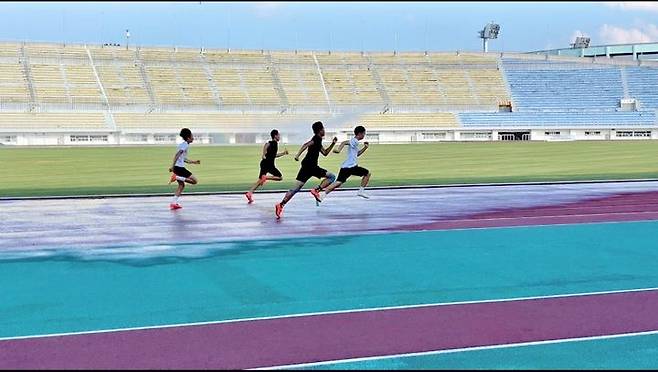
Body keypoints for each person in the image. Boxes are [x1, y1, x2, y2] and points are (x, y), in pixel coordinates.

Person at [275, 121, 337, 219]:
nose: (324, 130)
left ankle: (281, 204)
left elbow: (325, 153)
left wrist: (333, 144)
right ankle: (316, 190)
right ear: (320, 130)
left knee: (295, 188)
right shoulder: (316, 139)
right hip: (311, 166)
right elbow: (305, 145)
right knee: (332, 177)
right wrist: (297, 155)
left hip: (306, 166)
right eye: (323, 129)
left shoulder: (318, 140)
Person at [316, 125, 371, 202]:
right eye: (364, 134)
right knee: (367, 173)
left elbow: (357, 154)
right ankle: (361, 191)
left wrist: (365, 147)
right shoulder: (355, 141)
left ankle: (321, 195)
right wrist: (339, 150)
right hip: (351, 167)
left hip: (345, 167)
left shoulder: (355, 142)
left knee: (338, 183)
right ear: (360, 133)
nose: (364, 135)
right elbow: (344, 142)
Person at [245, 129, 289, 204]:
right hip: (269, 164)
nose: (279, 137)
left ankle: (249, 193)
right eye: (278, 135)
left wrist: (283, 153)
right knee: (279, 177)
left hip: (264, 163)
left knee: (260, 181)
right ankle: (266, 178)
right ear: (275, 136)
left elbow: (274, 155)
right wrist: (263, 154)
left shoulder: (274, 144)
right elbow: (266, 144)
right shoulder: (273, 143)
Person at [168, 128, 200, 210]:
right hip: (179, 168)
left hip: (177, 168)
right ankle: (176, 177)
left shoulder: (183, 145)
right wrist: (172, 166)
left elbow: (183, 159)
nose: (193, 138)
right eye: (192, 136)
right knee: (194, 181)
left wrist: (193, 162)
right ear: (188, 137)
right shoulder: (185, 145)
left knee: (181, 185)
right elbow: (177, 155)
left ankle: (173, 203)